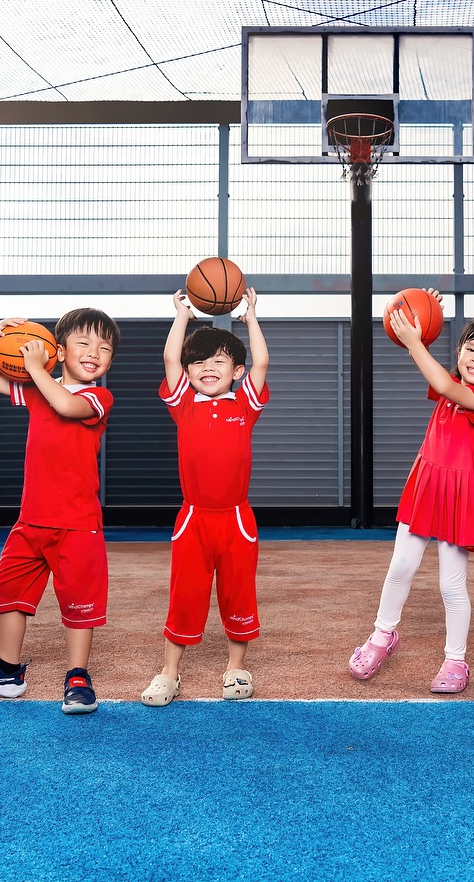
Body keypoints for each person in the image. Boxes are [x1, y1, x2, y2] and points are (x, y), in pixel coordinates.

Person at [348, 296, 474, 694]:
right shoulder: (456, 384)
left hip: (457, 496)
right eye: (470, 348)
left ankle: (455, 659)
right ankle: (382, 636)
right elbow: (442, 377)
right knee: (401, 568)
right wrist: (422, 310)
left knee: (451, 585)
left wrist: (415, 342)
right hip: (424, 484)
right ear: (460, 350)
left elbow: (439, 381)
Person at [0, 308, 119, 715]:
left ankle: (77, 676)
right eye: (84, 343)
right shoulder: (39, 387)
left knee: (79, 603)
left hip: (78, 524)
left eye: (105, 348)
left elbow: (65, 405)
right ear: (59, 351)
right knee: (7, 590)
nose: (94, 352)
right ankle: (7, 670)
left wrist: (34, 368)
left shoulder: (97, 396)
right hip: (30, 520)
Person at [140, 287, 269, 707]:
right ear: (190, 372)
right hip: (193, 517)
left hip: (235, 518)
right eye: (199, 362)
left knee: (238, 591)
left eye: (219, 361)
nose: (207, 367)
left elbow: (262, 361)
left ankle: (235, 667)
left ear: (236, 371)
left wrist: (251, 318)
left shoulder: (245, 404)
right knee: (185, 593)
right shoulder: (185, 404)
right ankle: (169, 672)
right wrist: (181, 316)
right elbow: (169, 359)